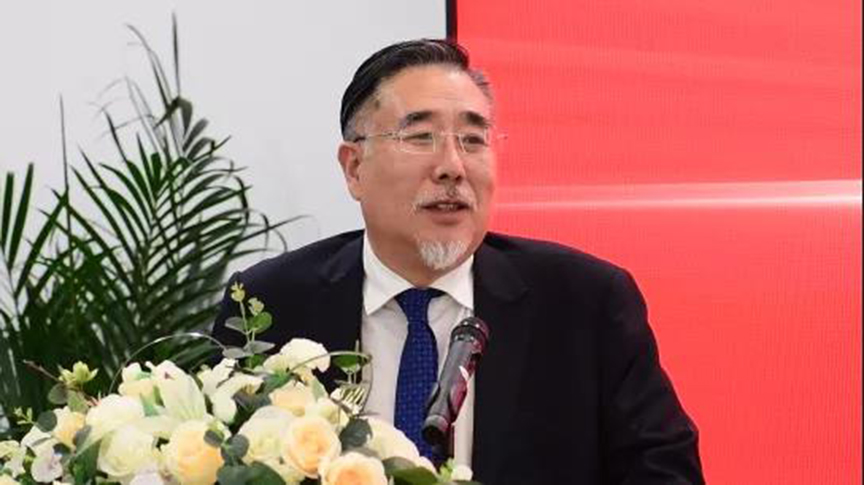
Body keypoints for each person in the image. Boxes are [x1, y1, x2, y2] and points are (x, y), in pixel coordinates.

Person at [212, 39, 704, 484]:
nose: (452, 166)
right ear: (355, 168)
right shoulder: (270, 302)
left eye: (473, 140)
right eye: (421, 137)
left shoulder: (585, 303)